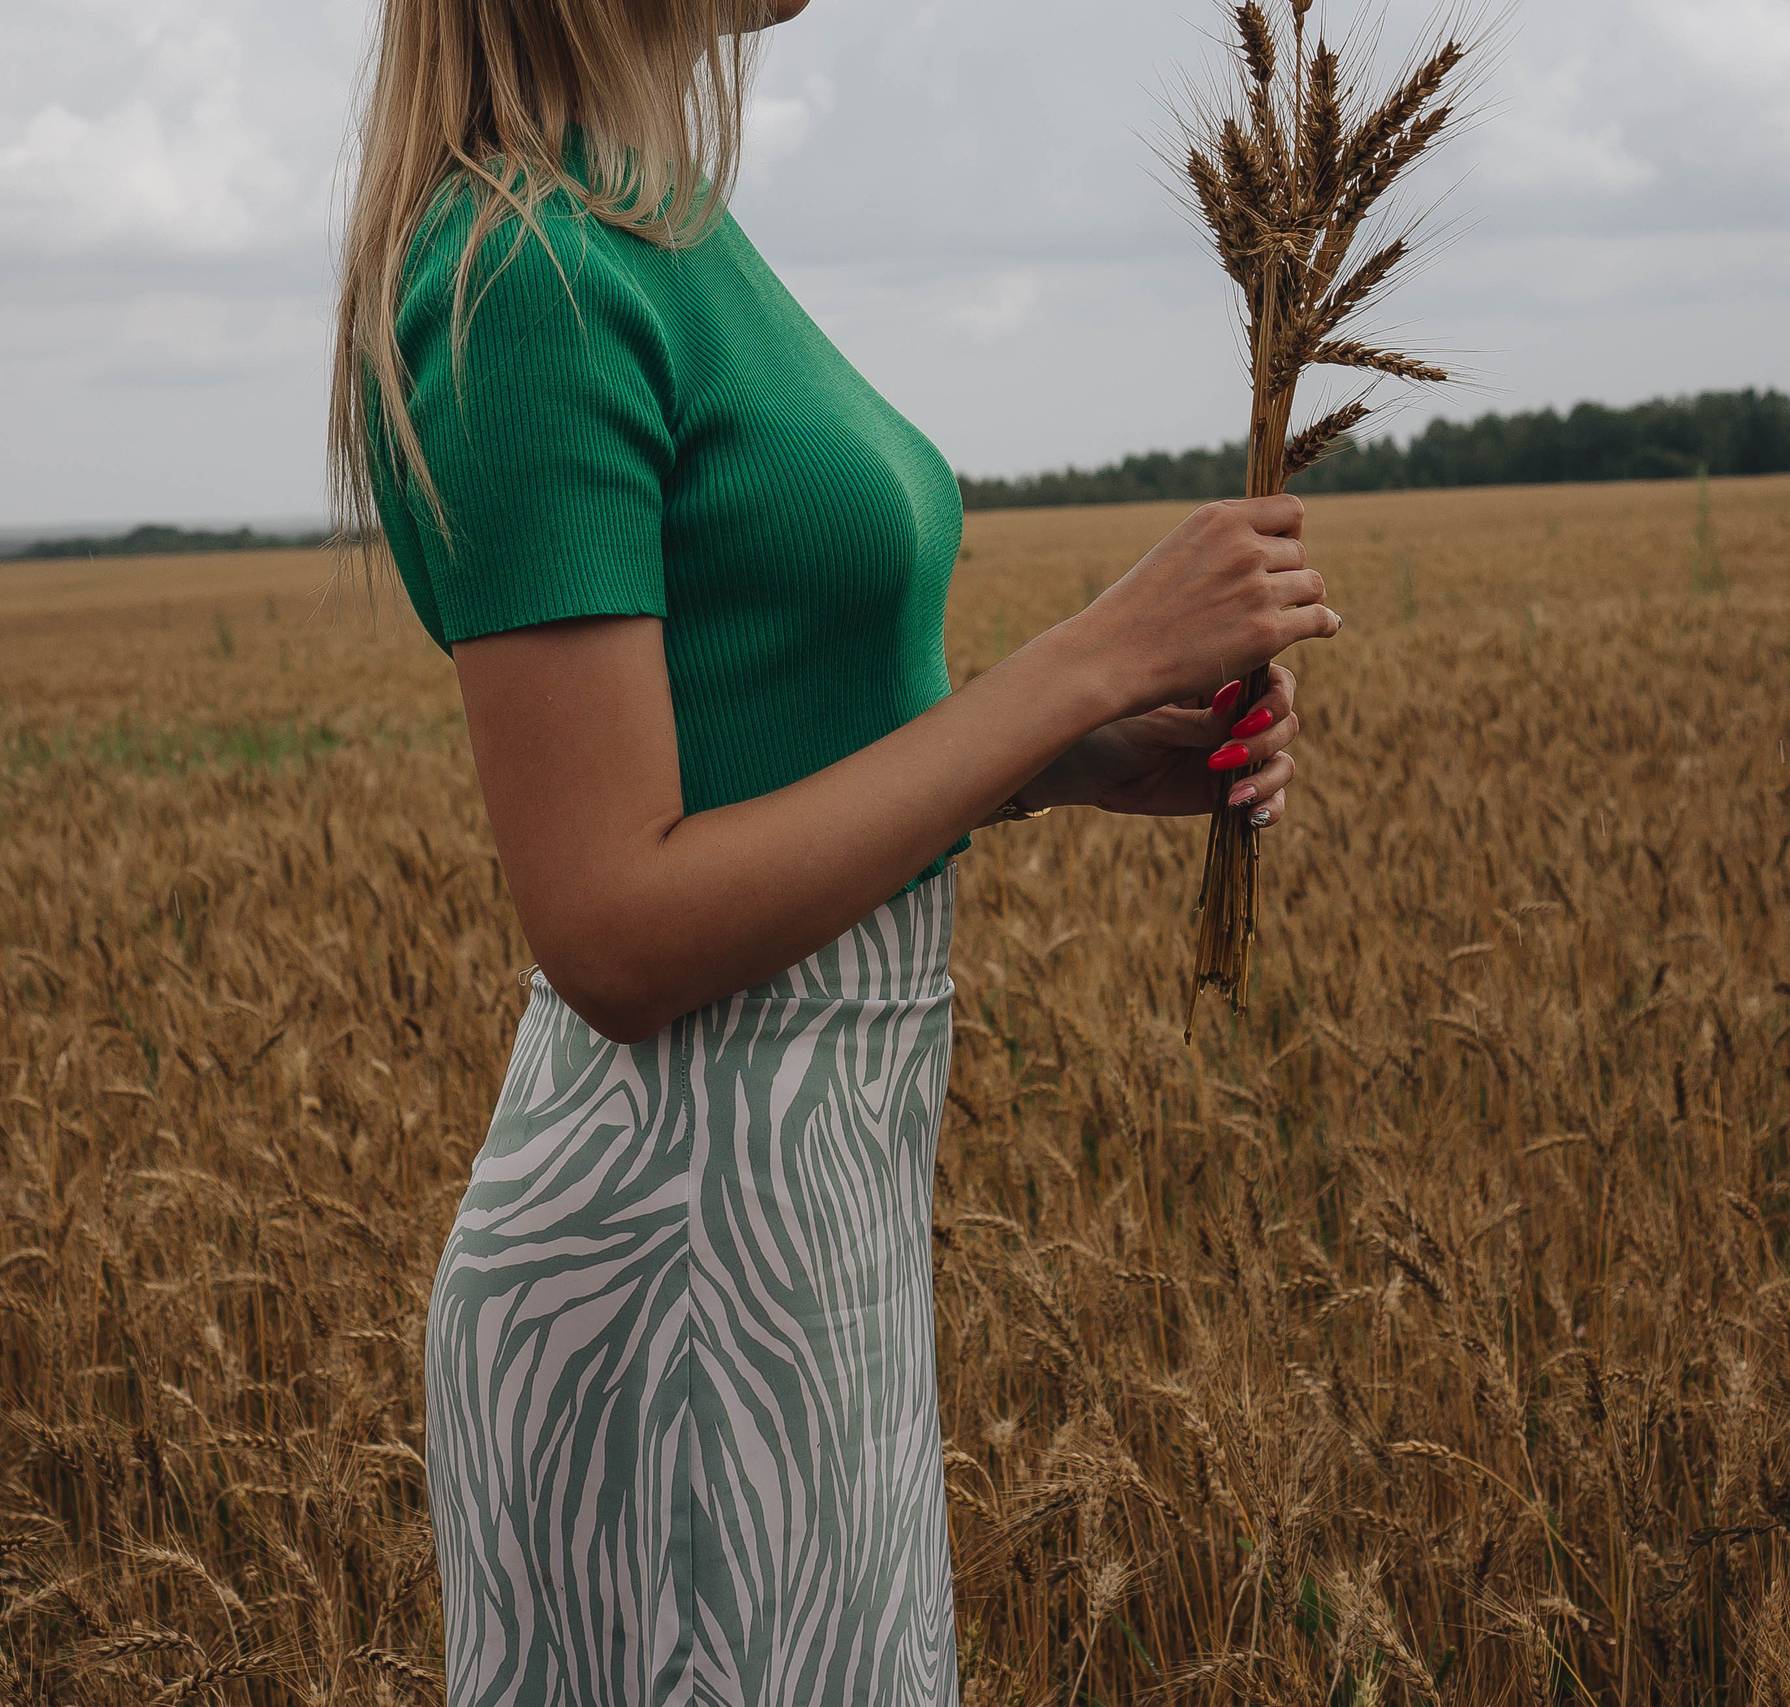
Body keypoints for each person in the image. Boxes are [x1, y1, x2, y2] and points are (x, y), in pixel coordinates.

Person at [327, 0, 1339, 1699]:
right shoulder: (527, 278)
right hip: (675, 1253)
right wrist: (1077, 664)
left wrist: (1070, 759)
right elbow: (614, 929)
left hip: (811, 1214)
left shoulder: (663, 224)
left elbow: (756, 748)